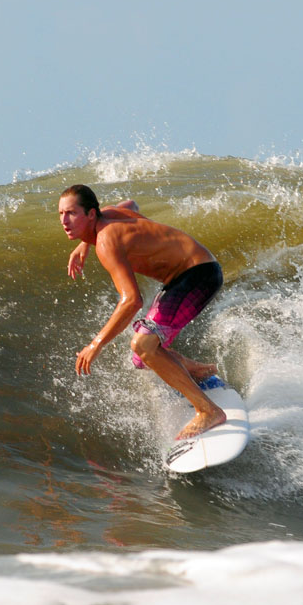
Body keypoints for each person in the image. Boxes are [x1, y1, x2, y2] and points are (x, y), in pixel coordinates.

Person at [57, 184, 226, 440]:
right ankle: (198, 371)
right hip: (188, 275)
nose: (64, 221)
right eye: (61, 214)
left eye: (71, 213)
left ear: (91, 214)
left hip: (198, 274)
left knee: (143, 344)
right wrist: (84, 243)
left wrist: (95, 344)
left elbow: (132, 301)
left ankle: (208, 411)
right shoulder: (109, 214)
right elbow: (132, 204)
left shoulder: (106, 241)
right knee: (142, 357)